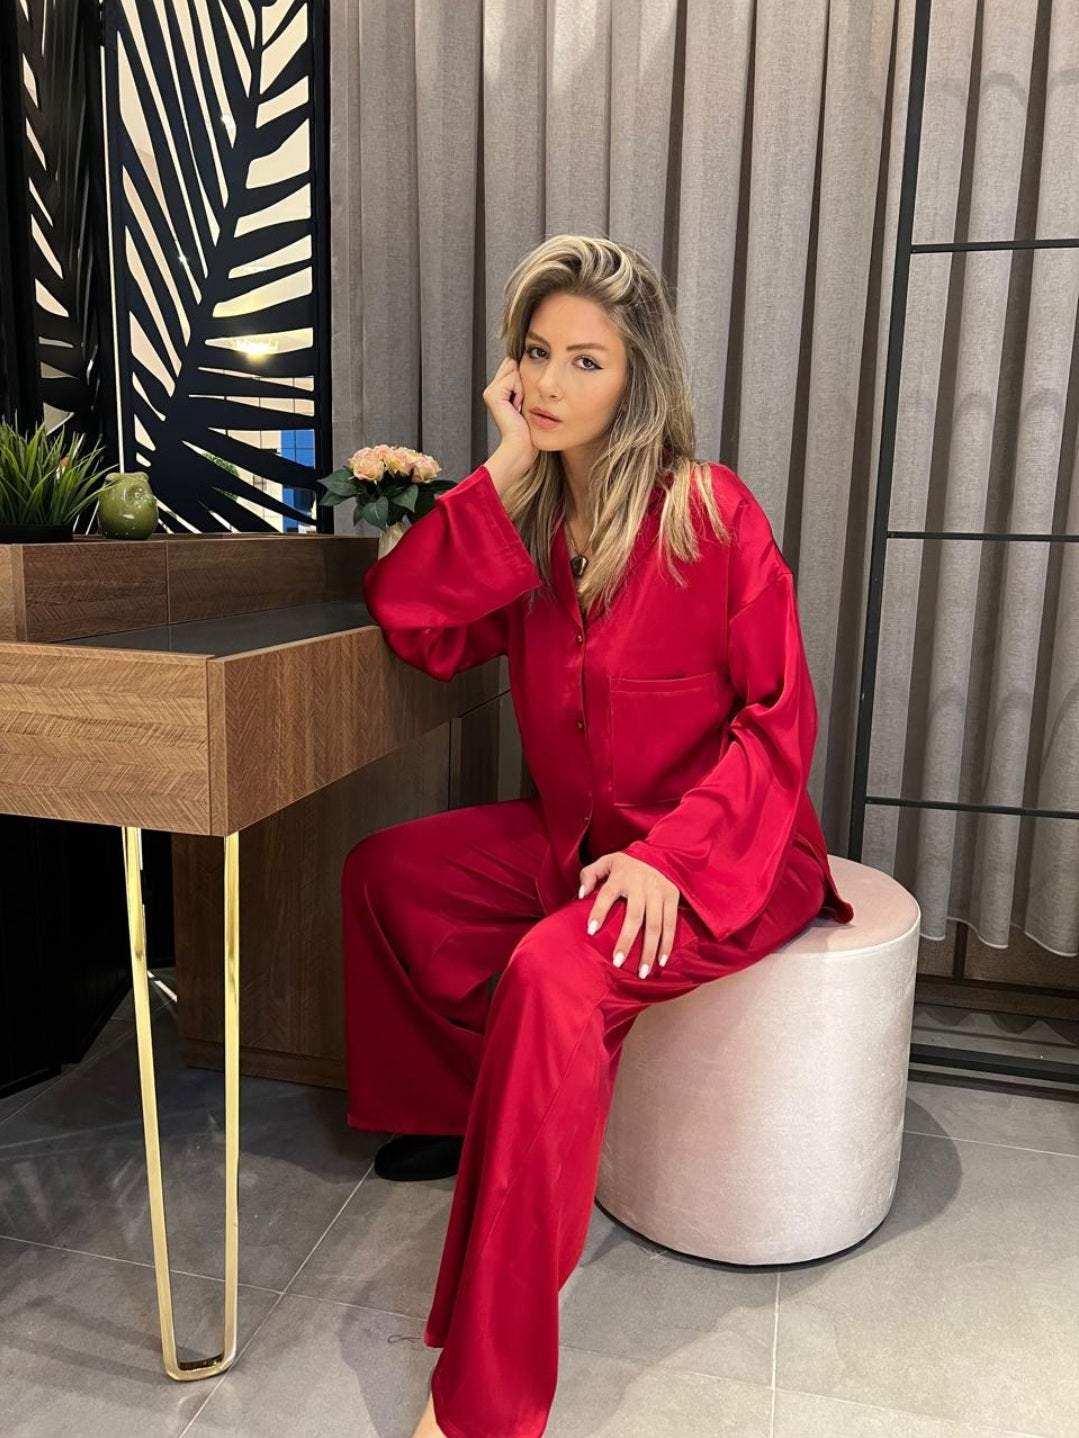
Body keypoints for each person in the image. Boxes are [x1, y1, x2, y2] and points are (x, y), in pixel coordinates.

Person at [340, 234, 856, 1438]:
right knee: (387, 877)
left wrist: (672, 859)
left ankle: (481, 1403)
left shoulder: (708, 513)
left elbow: (781, 722)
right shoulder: (534, 532)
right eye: (535, 354)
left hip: (726, 852)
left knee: (549, 970)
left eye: (585, 361)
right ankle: (457, 1120)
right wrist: (506, 461)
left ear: (637, 378)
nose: (553, 382)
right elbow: (408, 617)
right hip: (577, 838)